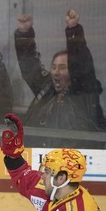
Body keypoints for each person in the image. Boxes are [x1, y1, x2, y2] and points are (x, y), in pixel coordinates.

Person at [0, 113, 102, 211]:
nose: (42, 175)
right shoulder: (53, 190)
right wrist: (13, 154)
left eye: (47, 172)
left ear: (61, 178)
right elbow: (23, 175)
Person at [14, 9, 105, 148]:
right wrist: (24, 34)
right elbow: (30, 67)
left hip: (78, 163)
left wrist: (73, 31)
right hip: (42, 162)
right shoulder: (47, 89)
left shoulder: (85, 91)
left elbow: (82, 65)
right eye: (54, 67)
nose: (56, 72)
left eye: (63, 67)